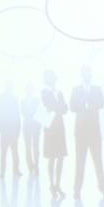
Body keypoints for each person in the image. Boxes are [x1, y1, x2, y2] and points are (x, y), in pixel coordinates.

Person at [69, 65, 104, 199]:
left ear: (90, 75)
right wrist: (84, 105)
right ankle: (77, 190)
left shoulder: (97, 89)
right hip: (81, 133)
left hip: (94, 132)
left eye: (88, 73)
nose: (86, 76)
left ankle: (103, 188)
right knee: (80, 163)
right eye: (84, 73)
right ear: (81, 76)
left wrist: (90, 105)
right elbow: (72, 107)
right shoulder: (75, 90)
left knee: (98, 162)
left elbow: (102, 103)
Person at [40, 69, 68, 197]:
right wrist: (59, 107)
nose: (54, 81)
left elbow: (65, 109)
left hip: (59, 126)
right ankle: (52, 184)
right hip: (50, 127)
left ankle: (58, 184)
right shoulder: (45, 92)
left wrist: (59, 107)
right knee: (52, 157)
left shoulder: (59, 92)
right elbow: (53, 106)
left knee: (60, 156)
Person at [0, 81, 22, 178]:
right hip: (6, 130)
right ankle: (4, 171)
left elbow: (17, 114)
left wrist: (18, 128)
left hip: (11, 130)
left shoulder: (13, 98)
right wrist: (1, 128)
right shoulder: (1, 99)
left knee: (13, 152)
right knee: (6, 152)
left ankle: (14, 170)